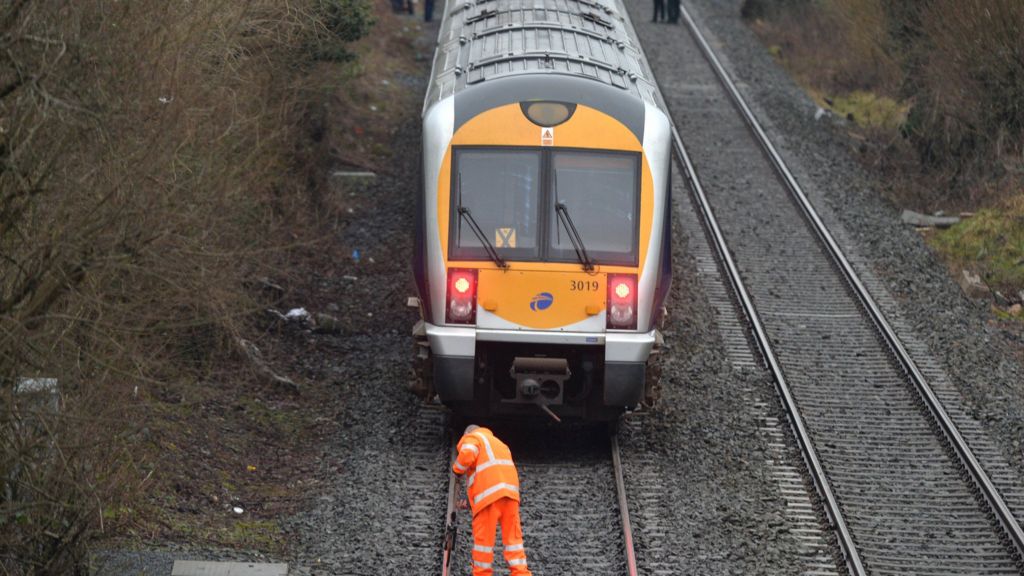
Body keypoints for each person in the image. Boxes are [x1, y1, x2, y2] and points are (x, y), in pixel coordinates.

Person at [453, 425, 532, 576]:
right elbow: (490, 472)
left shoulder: (474, 437)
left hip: (488, 498)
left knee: (483, 543)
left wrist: (457, 470)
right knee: (513, 541)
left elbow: (467, 453)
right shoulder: (500, 444)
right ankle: (521, 573)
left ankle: (482, 574)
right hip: (510, 496)